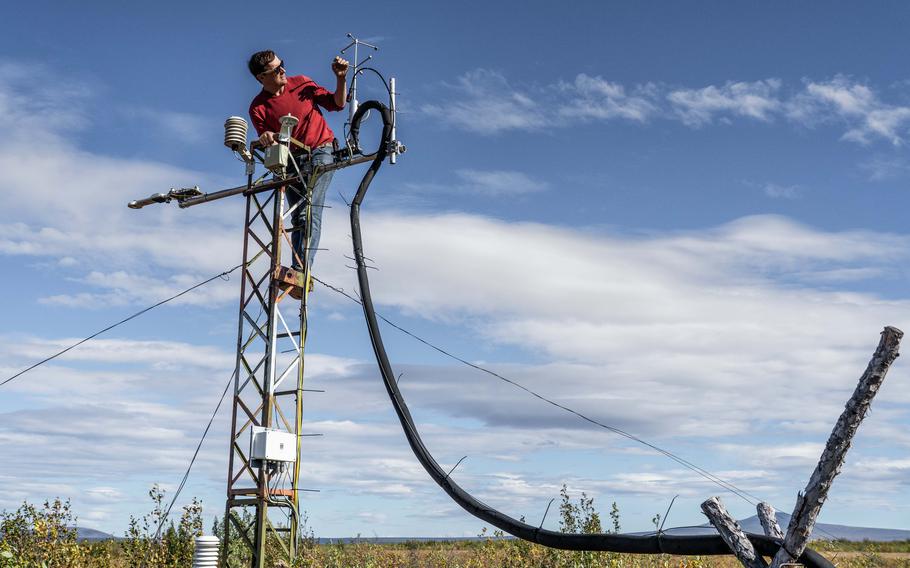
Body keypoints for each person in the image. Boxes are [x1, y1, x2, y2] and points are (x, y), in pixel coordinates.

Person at [247, 50, 348, 278]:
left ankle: (301, 271)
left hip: (321, 150)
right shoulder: (258, 107)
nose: (283, 70)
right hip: (291, 160)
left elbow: (337, 104)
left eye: (282, 64)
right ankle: (298, 268)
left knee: (309, 209)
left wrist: (341, 78)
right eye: (276, 69)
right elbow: (267, 138)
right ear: (261, 78)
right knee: (297, 217)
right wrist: (266, 137)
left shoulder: (301, 83)